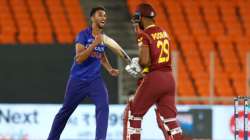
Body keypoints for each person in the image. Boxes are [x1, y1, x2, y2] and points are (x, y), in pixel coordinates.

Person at [47, 6, 119, 140]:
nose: (104, 17)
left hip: (95, 81)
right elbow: (79, 58)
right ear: (92, 18)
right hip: (78, 80)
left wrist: (109, 68)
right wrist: (93, 44)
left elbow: (101, 54)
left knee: (103, 107)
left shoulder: (102, 38)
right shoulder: (83, 35)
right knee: (65, 112)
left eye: (105, 15)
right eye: (100, 15)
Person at [123, 3, 183, 140]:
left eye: (138, 20)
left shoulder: (144, 34)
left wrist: (138, 64)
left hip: (155, 78)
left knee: (134, 113)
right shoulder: (164, 32)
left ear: (141, 18)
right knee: (170, 119)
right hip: (169, 78)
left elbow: (145, 61)